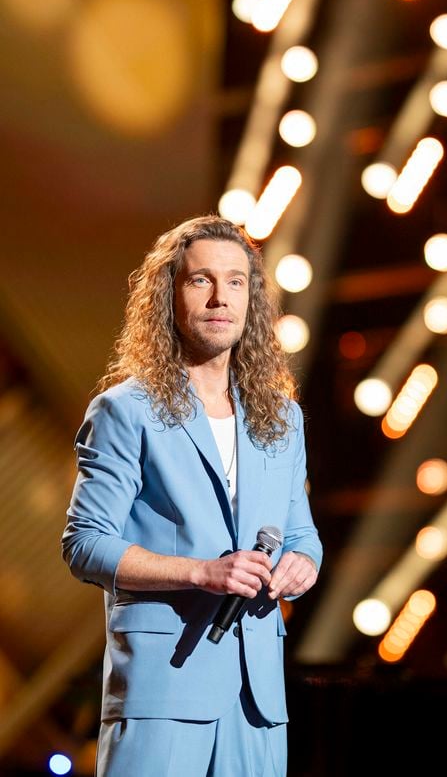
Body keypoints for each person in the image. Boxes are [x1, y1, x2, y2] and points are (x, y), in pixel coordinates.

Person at [61, 213, 323, 777]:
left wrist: (303, 563)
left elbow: (301, 532)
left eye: (235, 281)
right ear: (170, 296)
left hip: (257, 700)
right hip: (163, 691)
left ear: (251, 298)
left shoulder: (282, 417)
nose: (219, 297)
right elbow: (84, 544)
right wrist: (202, 573)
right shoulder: (124, 411)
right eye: (201, 280)